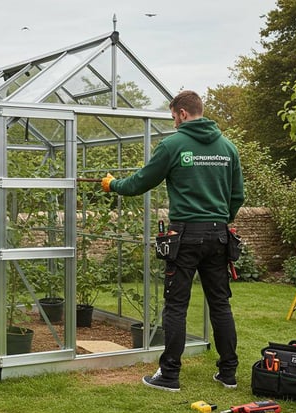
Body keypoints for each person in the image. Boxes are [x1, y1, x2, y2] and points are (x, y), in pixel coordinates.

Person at [101, 90, 245, 392]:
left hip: (185, 237)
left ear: (181, 113)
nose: (174, 123)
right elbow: (237, 196)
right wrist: (220, 220)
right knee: (220, 304)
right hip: (219, 235)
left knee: (176, 305)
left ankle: (169, 375)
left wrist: (113, 184)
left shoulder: (173, 145)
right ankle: (228, 374)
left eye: (173, 117)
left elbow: (141, 181)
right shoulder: (228, 148)